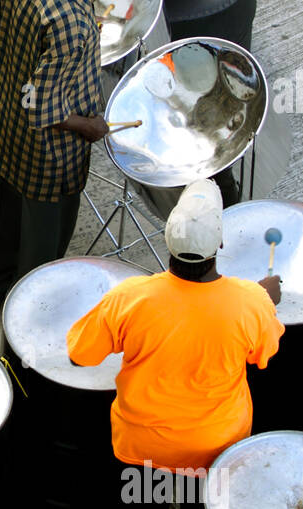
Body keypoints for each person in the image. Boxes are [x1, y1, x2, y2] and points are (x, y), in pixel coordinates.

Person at [66, 180, 284, 492]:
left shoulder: (129, 297)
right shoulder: (252, 302)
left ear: (168, 240)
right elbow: (264, 355)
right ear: (219, 242)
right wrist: (265, 303)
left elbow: (80, 355)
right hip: (214, 450)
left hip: (142, 449)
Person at [0, 0, 129, 311]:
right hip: (47, 153)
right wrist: (88, 125)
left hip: (2, 119)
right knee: (42, 242)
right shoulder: (72, 25)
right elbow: (42, 105)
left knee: (5, 216)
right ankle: (28, 310)